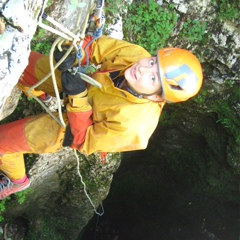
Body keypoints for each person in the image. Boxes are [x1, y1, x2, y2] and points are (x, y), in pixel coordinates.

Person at [0, 35, 203, 200]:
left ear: (157, 96)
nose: (143, 68)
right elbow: (97, 47)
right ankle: (39, 89)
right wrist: (76, 53)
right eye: (152, 62)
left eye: (152, 78)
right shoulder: (135, 56)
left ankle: (17, 181)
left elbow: (82, 140)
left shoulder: (135, 126)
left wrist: (77, 96)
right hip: (85, 86)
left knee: (1, 143)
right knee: (17, 59)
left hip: (73, 127)